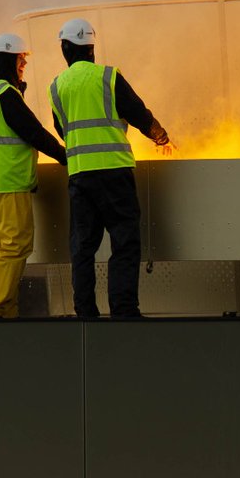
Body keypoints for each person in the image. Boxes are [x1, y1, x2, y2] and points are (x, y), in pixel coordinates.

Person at [48, 18, 170, 320]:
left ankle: (86, 313)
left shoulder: (56, 86)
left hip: (79, 177)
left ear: (65, 47)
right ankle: (124, 311)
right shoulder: (109, 77)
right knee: (124, 242)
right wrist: (161, 136)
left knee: (82, 248)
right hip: (115, 173)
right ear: (91, 48)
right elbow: (139, 114)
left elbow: (62, 130)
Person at [0, 32, 68, 320]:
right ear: (10, 59)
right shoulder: (7, 95)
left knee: (9, 246)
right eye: (21, 59)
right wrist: (66, 156)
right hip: (9, 182)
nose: (24, 64)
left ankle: (4, 309)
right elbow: (35, 133)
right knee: (15, 246)